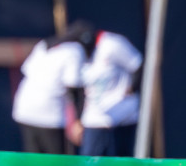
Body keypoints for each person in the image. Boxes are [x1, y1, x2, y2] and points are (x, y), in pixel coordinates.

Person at [10, 24, 87, 155]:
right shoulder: (75, 50)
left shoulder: (44, 45)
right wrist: (78, 120)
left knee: (34, 161)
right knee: (56, 164)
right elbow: (73, 86)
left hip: (25, 108)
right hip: (49, 113)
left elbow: (28, 70)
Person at [77, 27, 142, 157]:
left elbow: (138, 64)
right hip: (94, 116)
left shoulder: (113, 44)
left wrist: (132, 88)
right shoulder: (76, 54)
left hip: (121, 114)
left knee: (122, 162)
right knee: (90, 161)